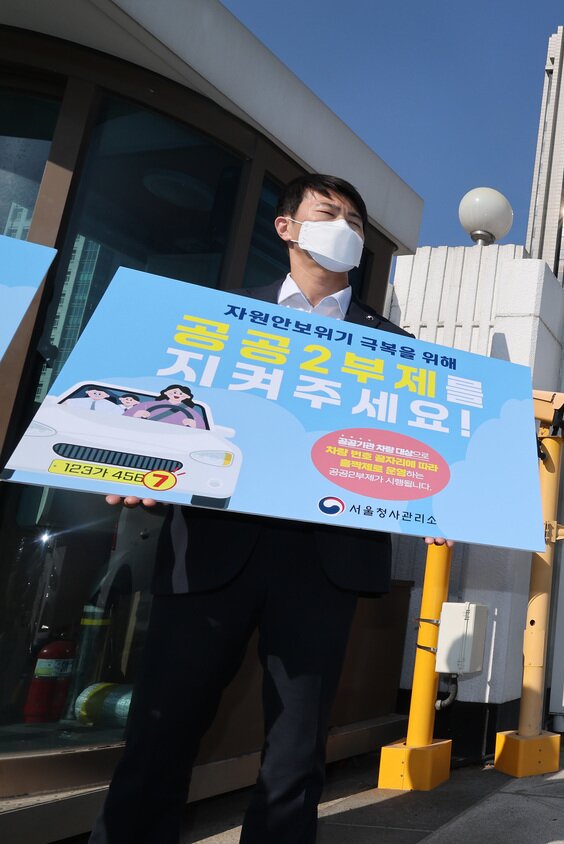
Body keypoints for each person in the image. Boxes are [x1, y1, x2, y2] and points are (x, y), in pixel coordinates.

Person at [91, 174, 426, 843]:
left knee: (297, 753)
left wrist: (436, 501)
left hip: (321, 563)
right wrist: (128, 463)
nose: (345, 228)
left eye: (356, 222)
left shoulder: (397, 352)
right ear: (286, 229)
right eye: (328, 213)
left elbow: (411, 452)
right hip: (210, 549)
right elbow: (160, 413)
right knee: (161, 730)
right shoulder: (212, 322)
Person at [124, 384, 204, 428]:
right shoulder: (146, 405)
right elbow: (124, 418)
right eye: (174, 392)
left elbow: (202, 432)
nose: (177, 395)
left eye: (181, 394)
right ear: (166, 392)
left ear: (187, 396)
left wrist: (194, 425)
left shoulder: (193, 414)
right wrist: (136, 415)